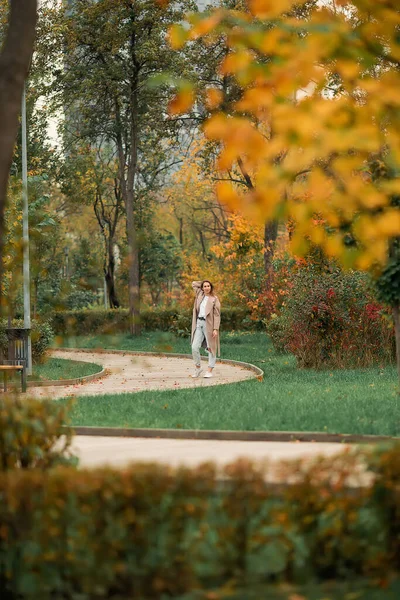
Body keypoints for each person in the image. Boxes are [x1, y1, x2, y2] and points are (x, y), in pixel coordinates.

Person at [191, 280, 221, 378]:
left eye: (208, 286)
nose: (207, 288)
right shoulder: (200, 295)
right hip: (199, 324)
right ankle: (198, 368)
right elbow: (194, 283)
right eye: (205, 286)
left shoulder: (214, 299)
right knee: (194, 347)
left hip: (209, 325)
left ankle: (209, 370)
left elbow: (217, 315)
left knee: (211, 348)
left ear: (211, 287)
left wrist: (215, 328)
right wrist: (202, 283)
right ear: (202, 288)